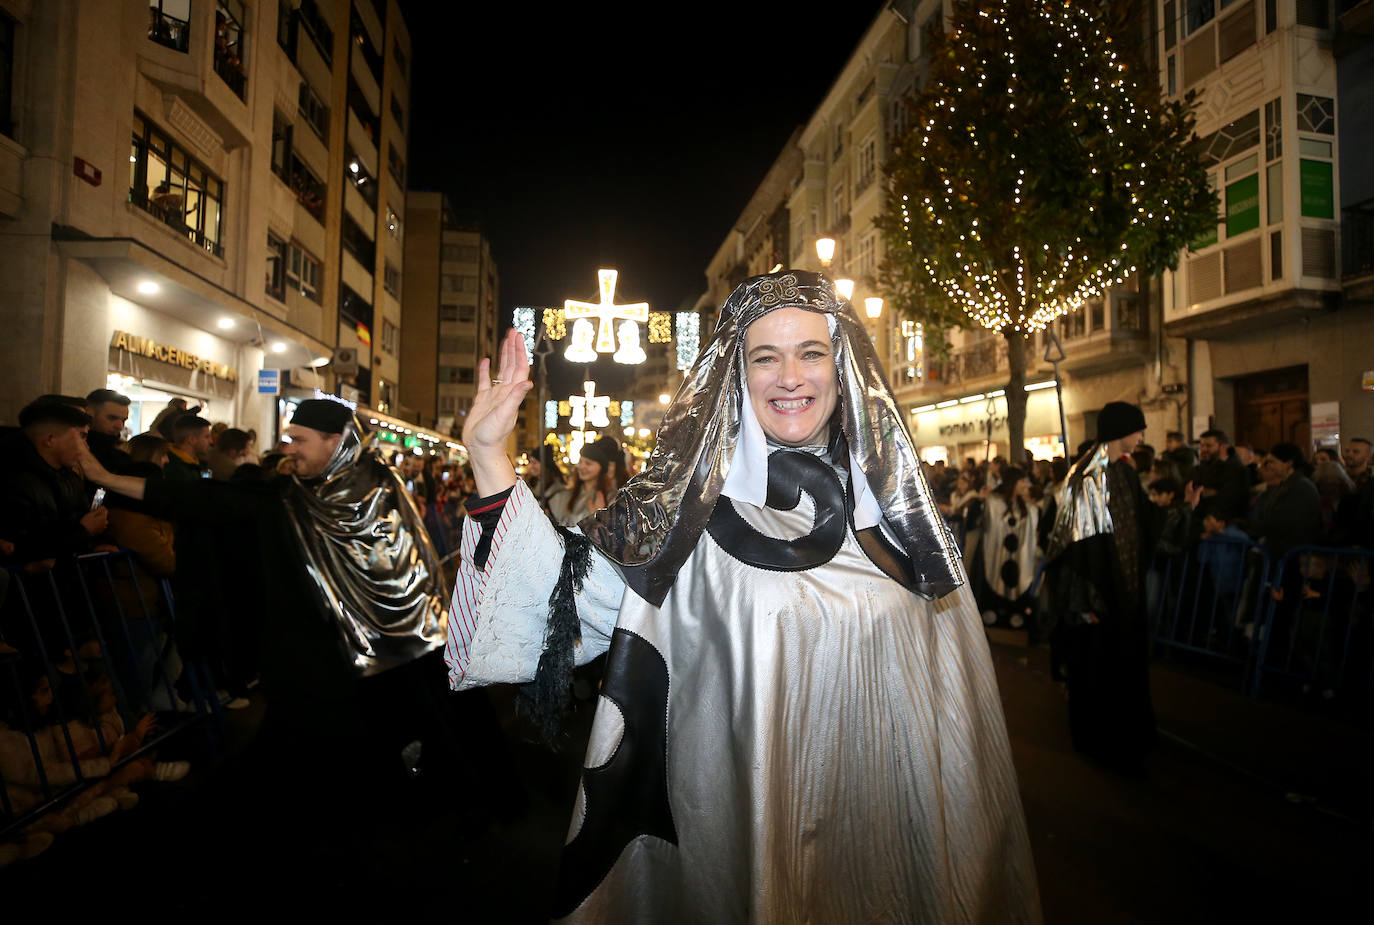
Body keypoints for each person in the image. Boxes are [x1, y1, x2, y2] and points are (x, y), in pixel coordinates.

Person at [448, 271, 1039, 922]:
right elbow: (564, 595)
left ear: (842, 369)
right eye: (766, 356)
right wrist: (488, 458)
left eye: (811, 352)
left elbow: (958, 710)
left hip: (884, 841)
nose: (791, 375)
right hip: (734, 832)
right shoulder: (676, 510)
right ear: (737, 372)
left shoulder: (902, 519)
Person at [76, 399, 471, 842]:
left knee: (386, 762)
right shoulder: (286, 496)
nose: (290, 449)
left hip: (380, 662)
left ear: (335, 442)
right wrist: (107, 479)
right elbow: (201, 499)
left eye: (299, 440)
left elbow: (405, 576)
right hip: (305, 663)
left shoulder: (377, 489)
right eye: (289, 439)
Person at [1045, 401, 1183, 773]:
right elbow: (1078, 547)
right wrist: (1085, 599)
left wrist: (1179, 511)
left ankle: (1125, 738)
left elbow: (1141, 521)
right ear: (1122, 430)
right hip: (1098, 596)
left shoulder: (1121, 471)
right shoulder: (1089, 475)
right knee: (1097, 669)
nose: (1141, 437)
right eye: (1137, 430)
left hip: (1122, 593)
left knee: (1120, 668)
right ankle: (1100, 742)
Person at [546, 436, 619, 527]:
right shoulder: (564, 495)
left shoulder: (611, 498)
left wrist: (600, 518)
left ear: (601, 468)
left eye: (588, 463)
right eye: (580, 462)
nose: (581, 467)